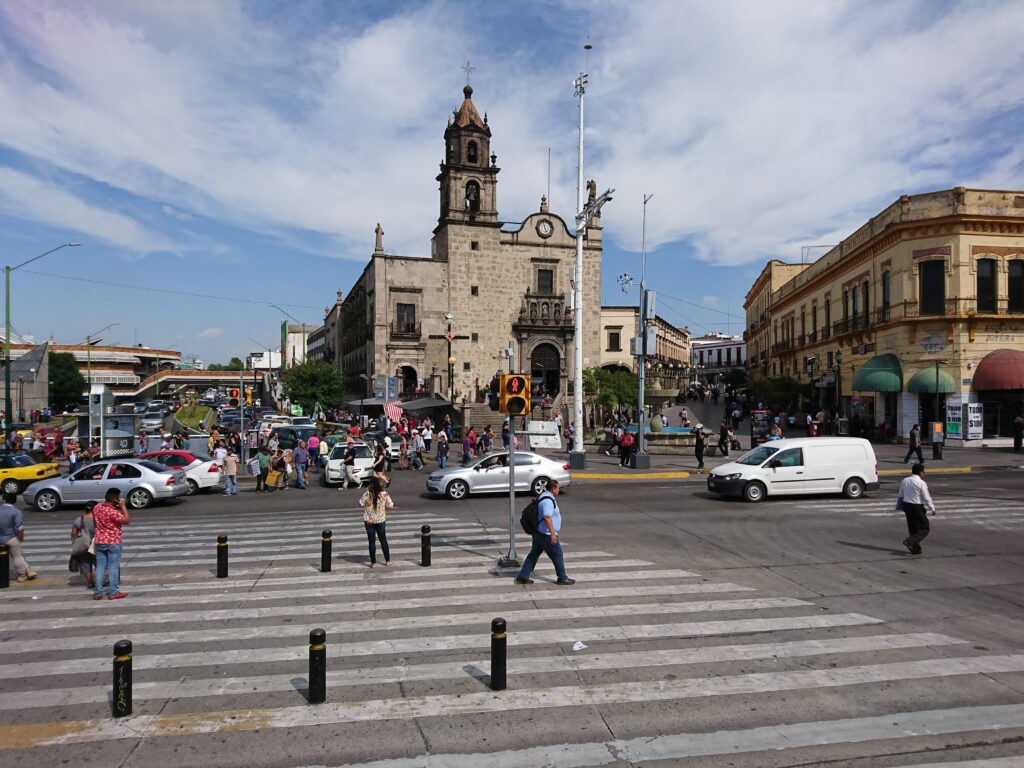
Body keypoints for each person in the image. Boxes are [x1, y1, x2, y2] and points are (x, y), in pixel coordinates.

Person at [515, 479, 574, 585]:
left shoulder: (543, 495)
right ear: (553, 489)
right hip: (546, 534)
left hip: (538, 532)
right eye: (558, 488)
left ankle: (523, 577)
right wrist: (553, 534)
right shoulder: (548, 501)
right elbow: (547, 518)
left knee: (534, 554)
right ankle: (562, 577)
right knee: (558, 554)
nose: (558, 490)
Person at [92, 488, 130, 600]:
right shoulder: (113, 512)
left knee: (100, 567)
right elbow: (127, 521)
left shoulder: (97, 507)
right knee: (113, 567)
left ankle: (98, 593)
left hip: (99, 541)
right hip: (113, 542)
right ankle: (113, 592)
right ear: (115, 500)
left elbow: (95, 523)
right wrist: (123, 507)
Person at [898, 463, 936, 554]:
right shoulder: (921, 483)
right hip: (917, 506)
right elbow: (926, 497)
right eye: (924, 472)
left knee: (912, 527)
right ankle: (910, 541)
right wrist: (932, 508)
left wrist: (900, 505)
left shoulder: (905, 480)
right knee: (924, 527)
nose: (924, 473)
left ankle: (915, 549)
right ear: (920, 472)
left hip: (907, 505)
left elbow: (900, 494)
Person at [1, 491, 37, 583]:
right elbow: (20, 528)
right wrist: (20, 538)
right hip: (10, 538)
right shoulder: (16, 512)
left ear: (4, 500)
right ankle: (22, 574)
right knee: (17, 556)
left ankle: (29, 570)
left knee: (18, 554)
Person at [359, 476, 394, 568]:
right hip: (380, 520)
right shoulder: (384, 494)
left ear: (370, 484)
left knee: (371, 542)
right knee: (383, 540)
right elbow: (391, 505)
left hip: (369, 521)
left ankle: (373, 563)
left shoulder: (367, 494)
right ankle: (388, 561)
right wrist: (385, 505)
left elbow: (360, 504)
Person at [70, 502, 96, 588]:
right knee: (99, 564)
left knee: (85, 564)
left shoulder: (79, 519)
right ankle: (99, 582)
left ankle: (90, 583)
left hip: (83, 544)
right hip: (95, 543)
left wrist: (75, 541)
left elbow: (74, 533)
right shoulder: (98, 519)